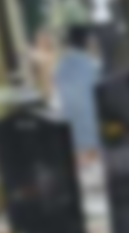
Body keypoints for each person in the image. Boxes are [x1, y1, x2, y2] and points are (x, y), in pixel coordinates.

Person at [52, 24, 101, 156]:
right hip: (94, 138)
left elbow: (57, 103)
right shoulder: (92, 65)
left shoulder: (58, 68)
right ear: (86, 41)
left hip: (72, 141)